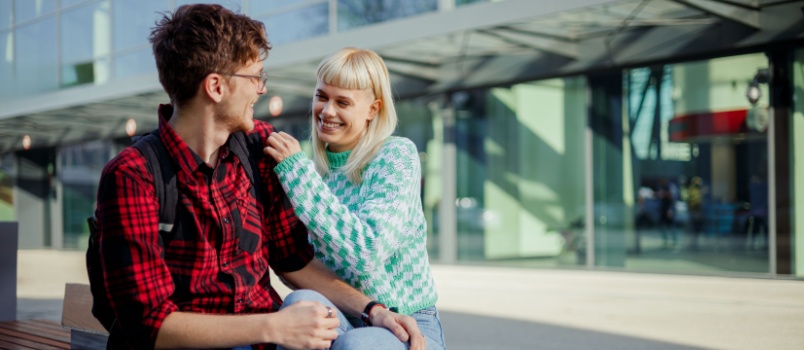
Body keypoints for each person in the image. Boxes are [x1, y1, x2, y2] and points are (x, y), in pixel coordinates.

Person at [94, 5, 424, 350]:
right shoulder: (132, 176)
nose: (261, 90)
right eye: (254, 77)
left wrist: (373, 310)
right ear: (216, 87)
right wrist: (272, 328)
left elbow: (294, 260)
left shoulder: (260, 151)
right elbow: (149, 324)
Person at [264, 47, 446, 349]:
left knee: (358, 345)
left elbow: (368, 250)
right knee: (301, 303)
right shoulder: (314, 175)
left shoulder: (395, 156)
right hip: (351, 310)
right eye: (322, 96)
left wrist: (298, 175)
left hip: (408, 323)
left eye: (343, 102)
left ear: (373, 109)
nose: (327, 111)